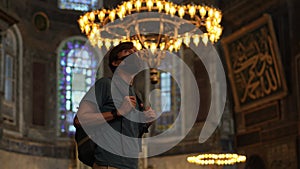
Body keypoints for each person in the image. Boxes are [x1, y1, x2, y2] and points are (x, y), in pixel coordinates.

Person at [76, 42, 156, 169]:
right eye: (128, 53)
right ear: (116, 62)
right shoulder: (105, 85)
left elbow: (131, 132)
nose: (134, 56)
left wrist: (146, 122)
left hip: (132, 165)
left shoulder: (136, 95)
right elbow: (80, 119)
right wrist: (117, 113)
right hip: (108, 163)